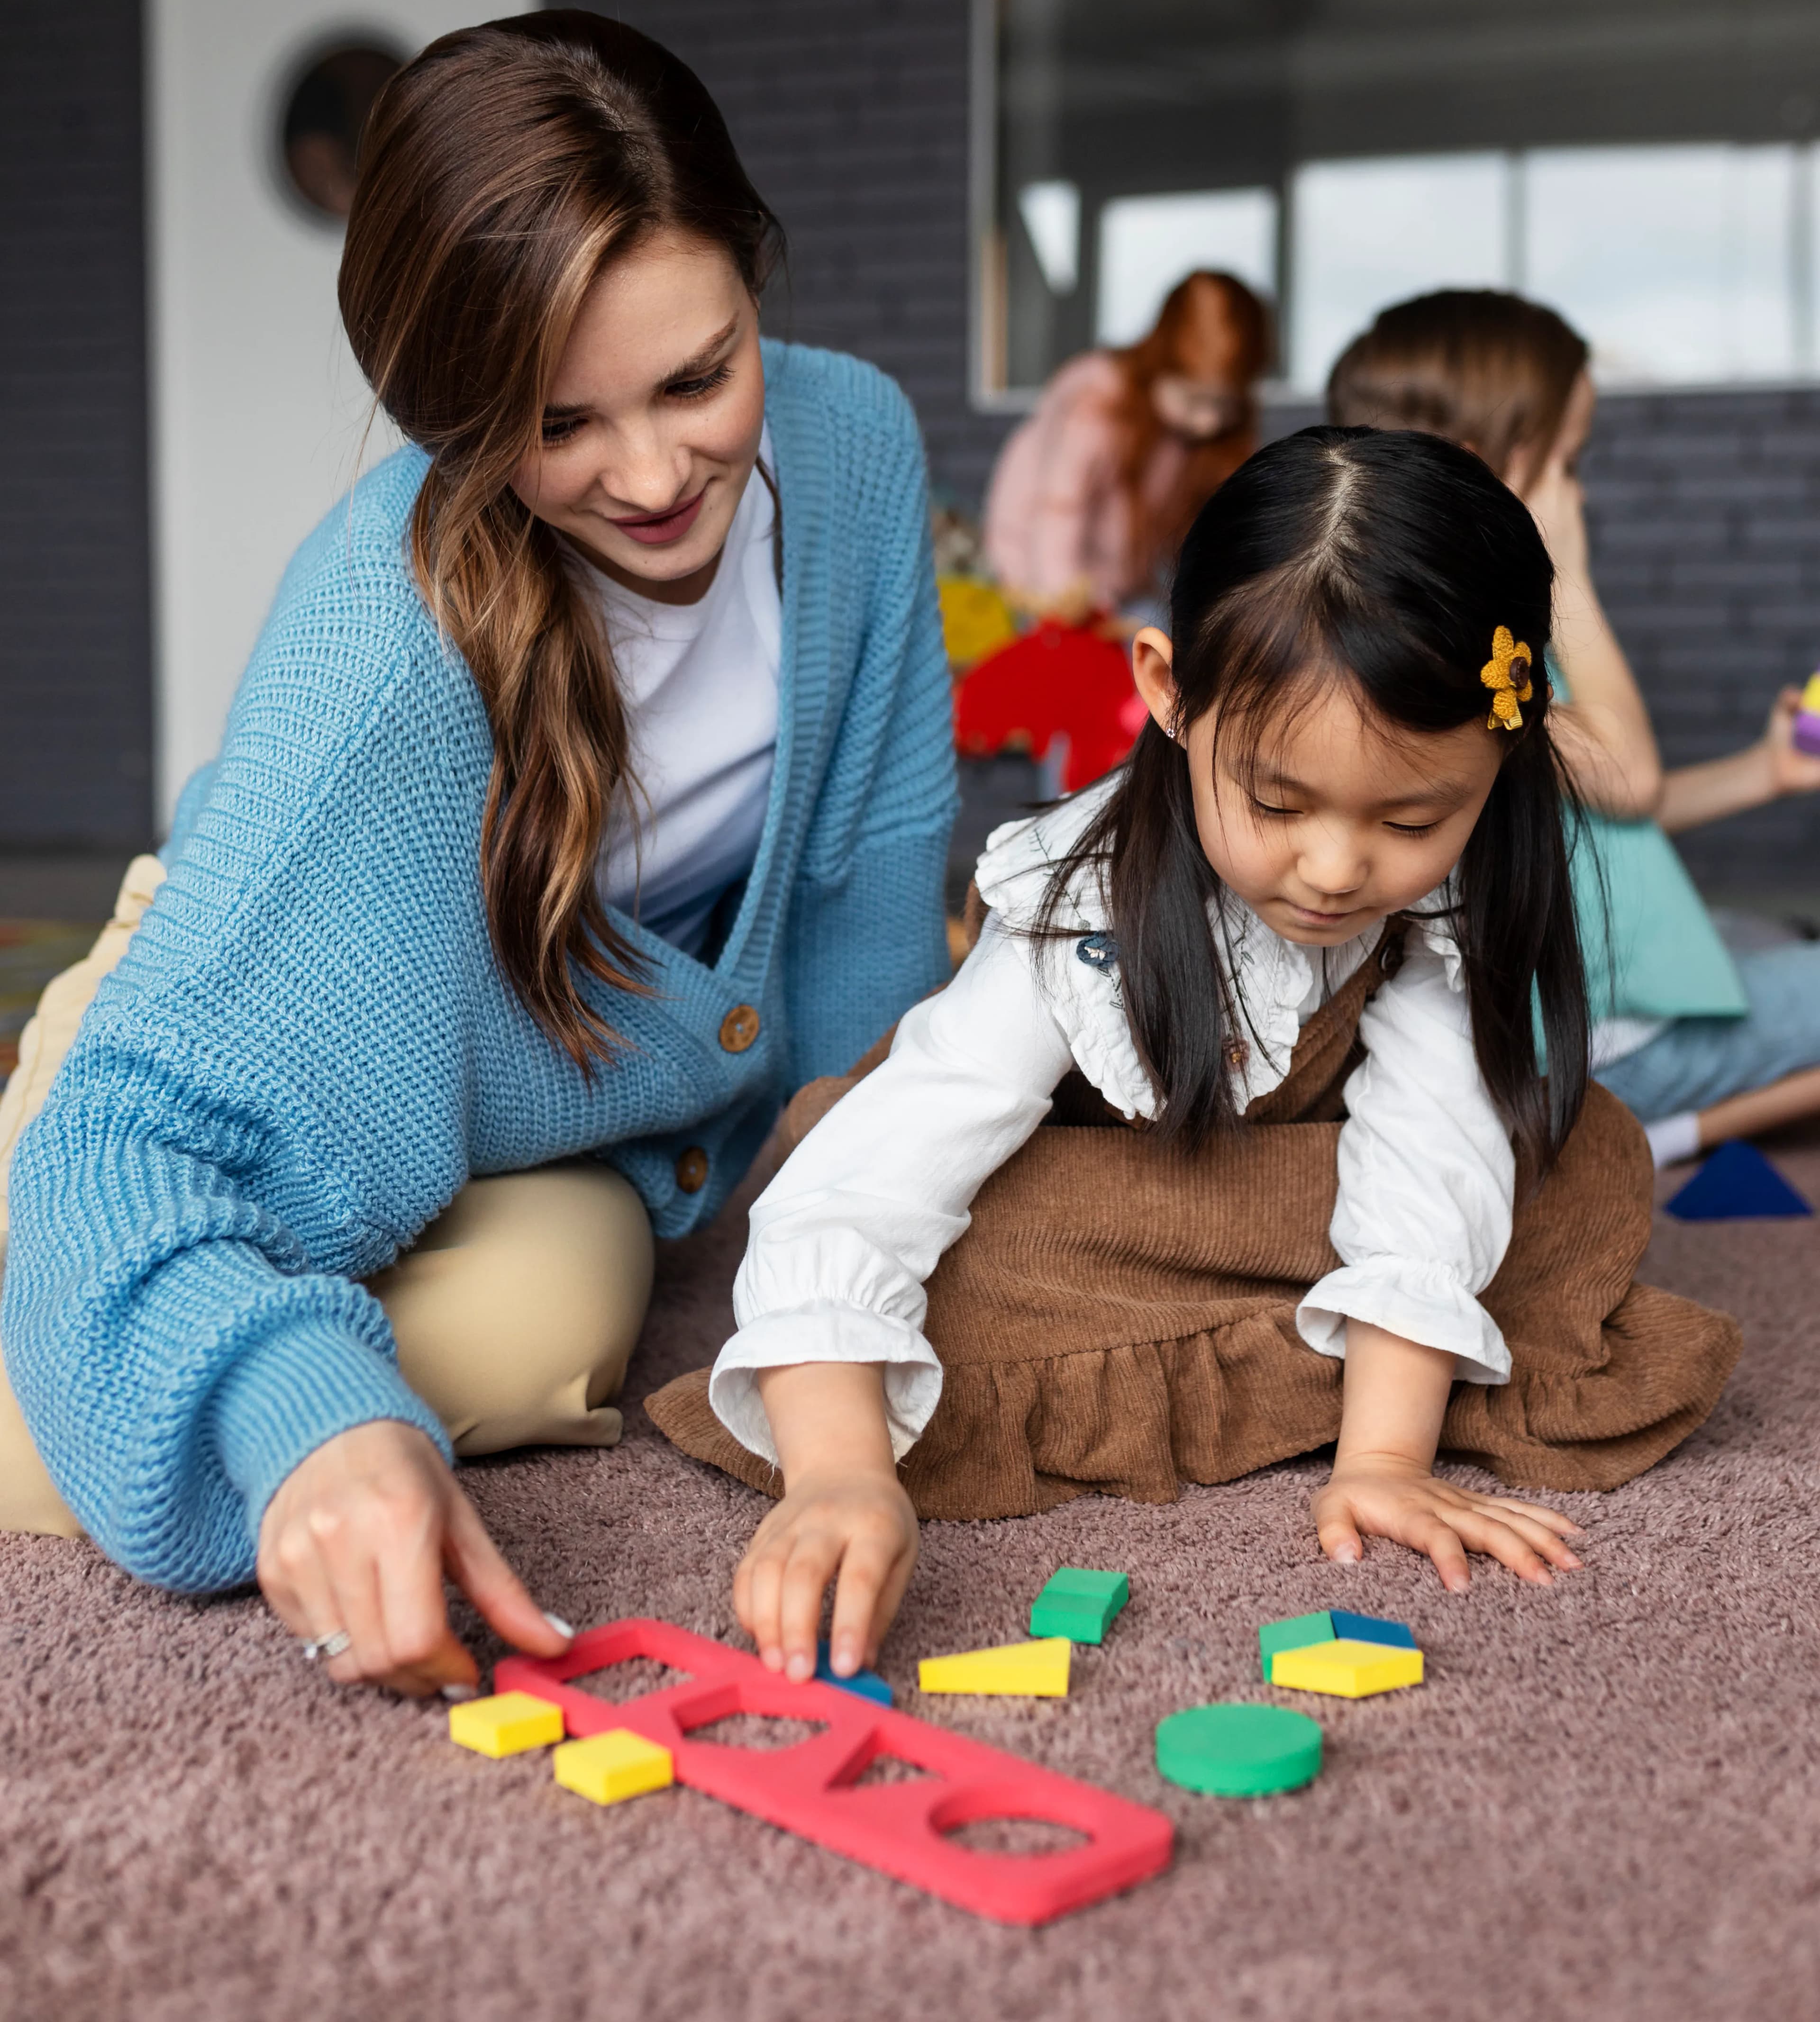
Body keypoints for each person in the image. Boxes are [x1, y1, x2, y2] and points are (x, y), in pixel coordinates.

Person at [0, 10, 956, 1697]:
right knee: (144, 1394)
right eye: (561, 421)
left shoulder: (855, 446)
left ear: (754, 278)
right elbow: (130, 1154)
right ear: (451, 414)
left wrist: (850, 1285)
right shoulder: (385, 661)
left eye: (697, 373)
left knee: (558, 1328)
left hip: (559, 1095)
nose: (658, 473)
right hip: (263, 984)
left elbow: (866, 934)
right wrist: (313, 1428)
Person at [646, 429, 1738, 1682]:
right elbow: (876, 1183)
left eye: (1413, 818)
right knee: (913, 1231)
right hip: (1095, 1224)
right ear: (1169, 692)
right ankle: (1300, 1348)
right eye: (1277, 804)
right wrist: (840, 1477)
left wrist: (1385, 1463)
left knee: (1582, 1156)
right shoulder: (1079, 902)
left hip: (1318, 1208)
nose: (1336, 870)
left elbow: (1433, 1145)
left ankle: (1343, 1368)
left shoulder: (1454, 898)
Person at [1328, 290, 1820, 1166]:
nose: (1579, 489)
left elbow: (1593, 810)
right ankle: (1626, 1136)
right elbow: (1626, 776)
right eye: (1568, 459)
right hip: (1582, 1047)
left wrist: (1763, 771)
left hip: (1582, 1027)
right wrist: (1569, 576)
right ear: (1490, 464)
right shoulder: (1464, 652)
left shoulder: (1452, 620)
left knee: (1757, 939)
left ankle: (1644, 1132)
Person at [982, 269, 1272, 615]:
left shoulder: (1200, 440)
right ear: (1161, 362)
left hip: (1117, 585)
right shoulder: (1097, 402)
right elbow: (1058, 510)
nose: (1208, 423)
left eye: (1226, 405)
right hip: (1035, 575)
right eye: (1195, 400)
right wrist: (1061, 600)